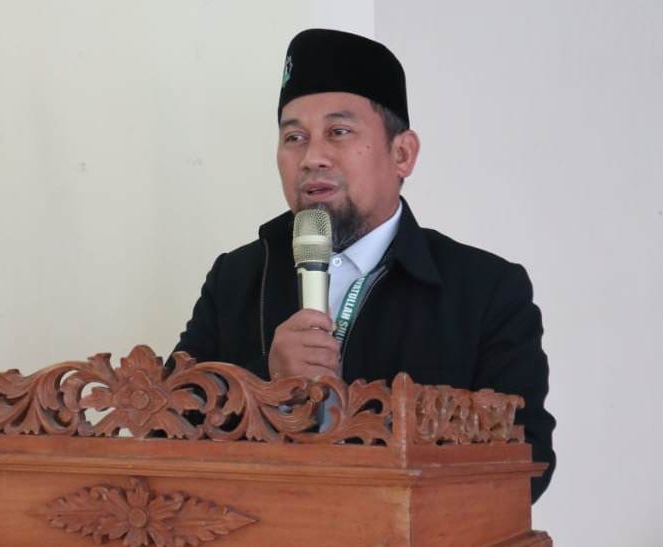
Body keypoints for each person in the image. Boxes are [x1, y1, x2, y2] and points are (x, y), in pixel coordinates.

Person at [174, 28, 555, 502]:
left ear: (403, 153)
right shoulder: (236, 277)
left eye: (338, 132)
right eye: (294, 137)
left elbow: (526, 464)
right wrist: (264, 380)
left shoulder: (485, 290)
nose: (312, 157)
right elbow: (165, 431)